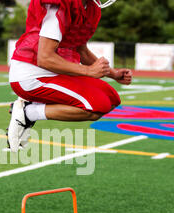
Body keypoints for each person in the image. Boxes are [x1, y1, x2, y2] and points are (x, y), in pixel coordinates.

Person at [7, 0, 133, 151]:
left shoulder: (86, 6)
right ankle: (28, 112)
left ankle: (30, 109)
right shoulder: (60, 6)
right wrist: (89, 71)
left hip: (54, 72)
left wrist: (114, 73)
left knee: (112, 98)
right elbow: (44, 58)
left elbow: (81, 50)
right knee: (96, 105)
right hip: (32, 74)